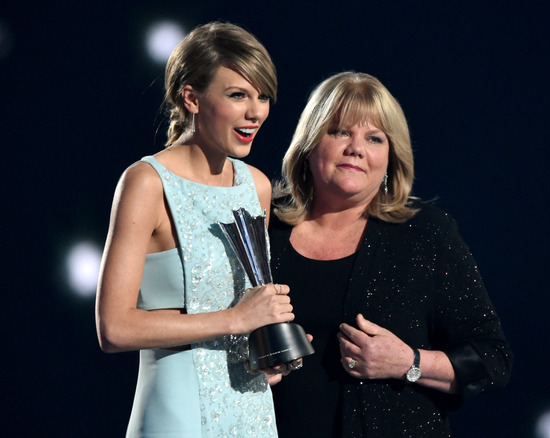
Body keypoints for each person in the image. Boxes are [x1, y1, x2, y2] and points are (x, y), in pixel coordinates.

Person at [269, 71, 513, 437]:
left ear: (390, 157)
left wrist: (408, 362)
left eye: (374, 138)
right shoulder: (262, 228)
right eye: (339, 131)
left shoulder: (426, 234)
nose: (356, 147)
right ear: (309, 142)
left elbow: (492, 358)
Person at [95, 21, 293, 437]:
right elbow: (114, 327)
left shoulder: (255, 186)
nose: (255, 112)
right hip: (177, 411)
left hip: (251, 410)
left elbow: (247, 313)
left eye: (263, 96)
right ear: (192, 97)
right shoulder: (147, 182)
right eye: (237, 95)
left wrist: (265, 348)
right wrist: (236, 319)